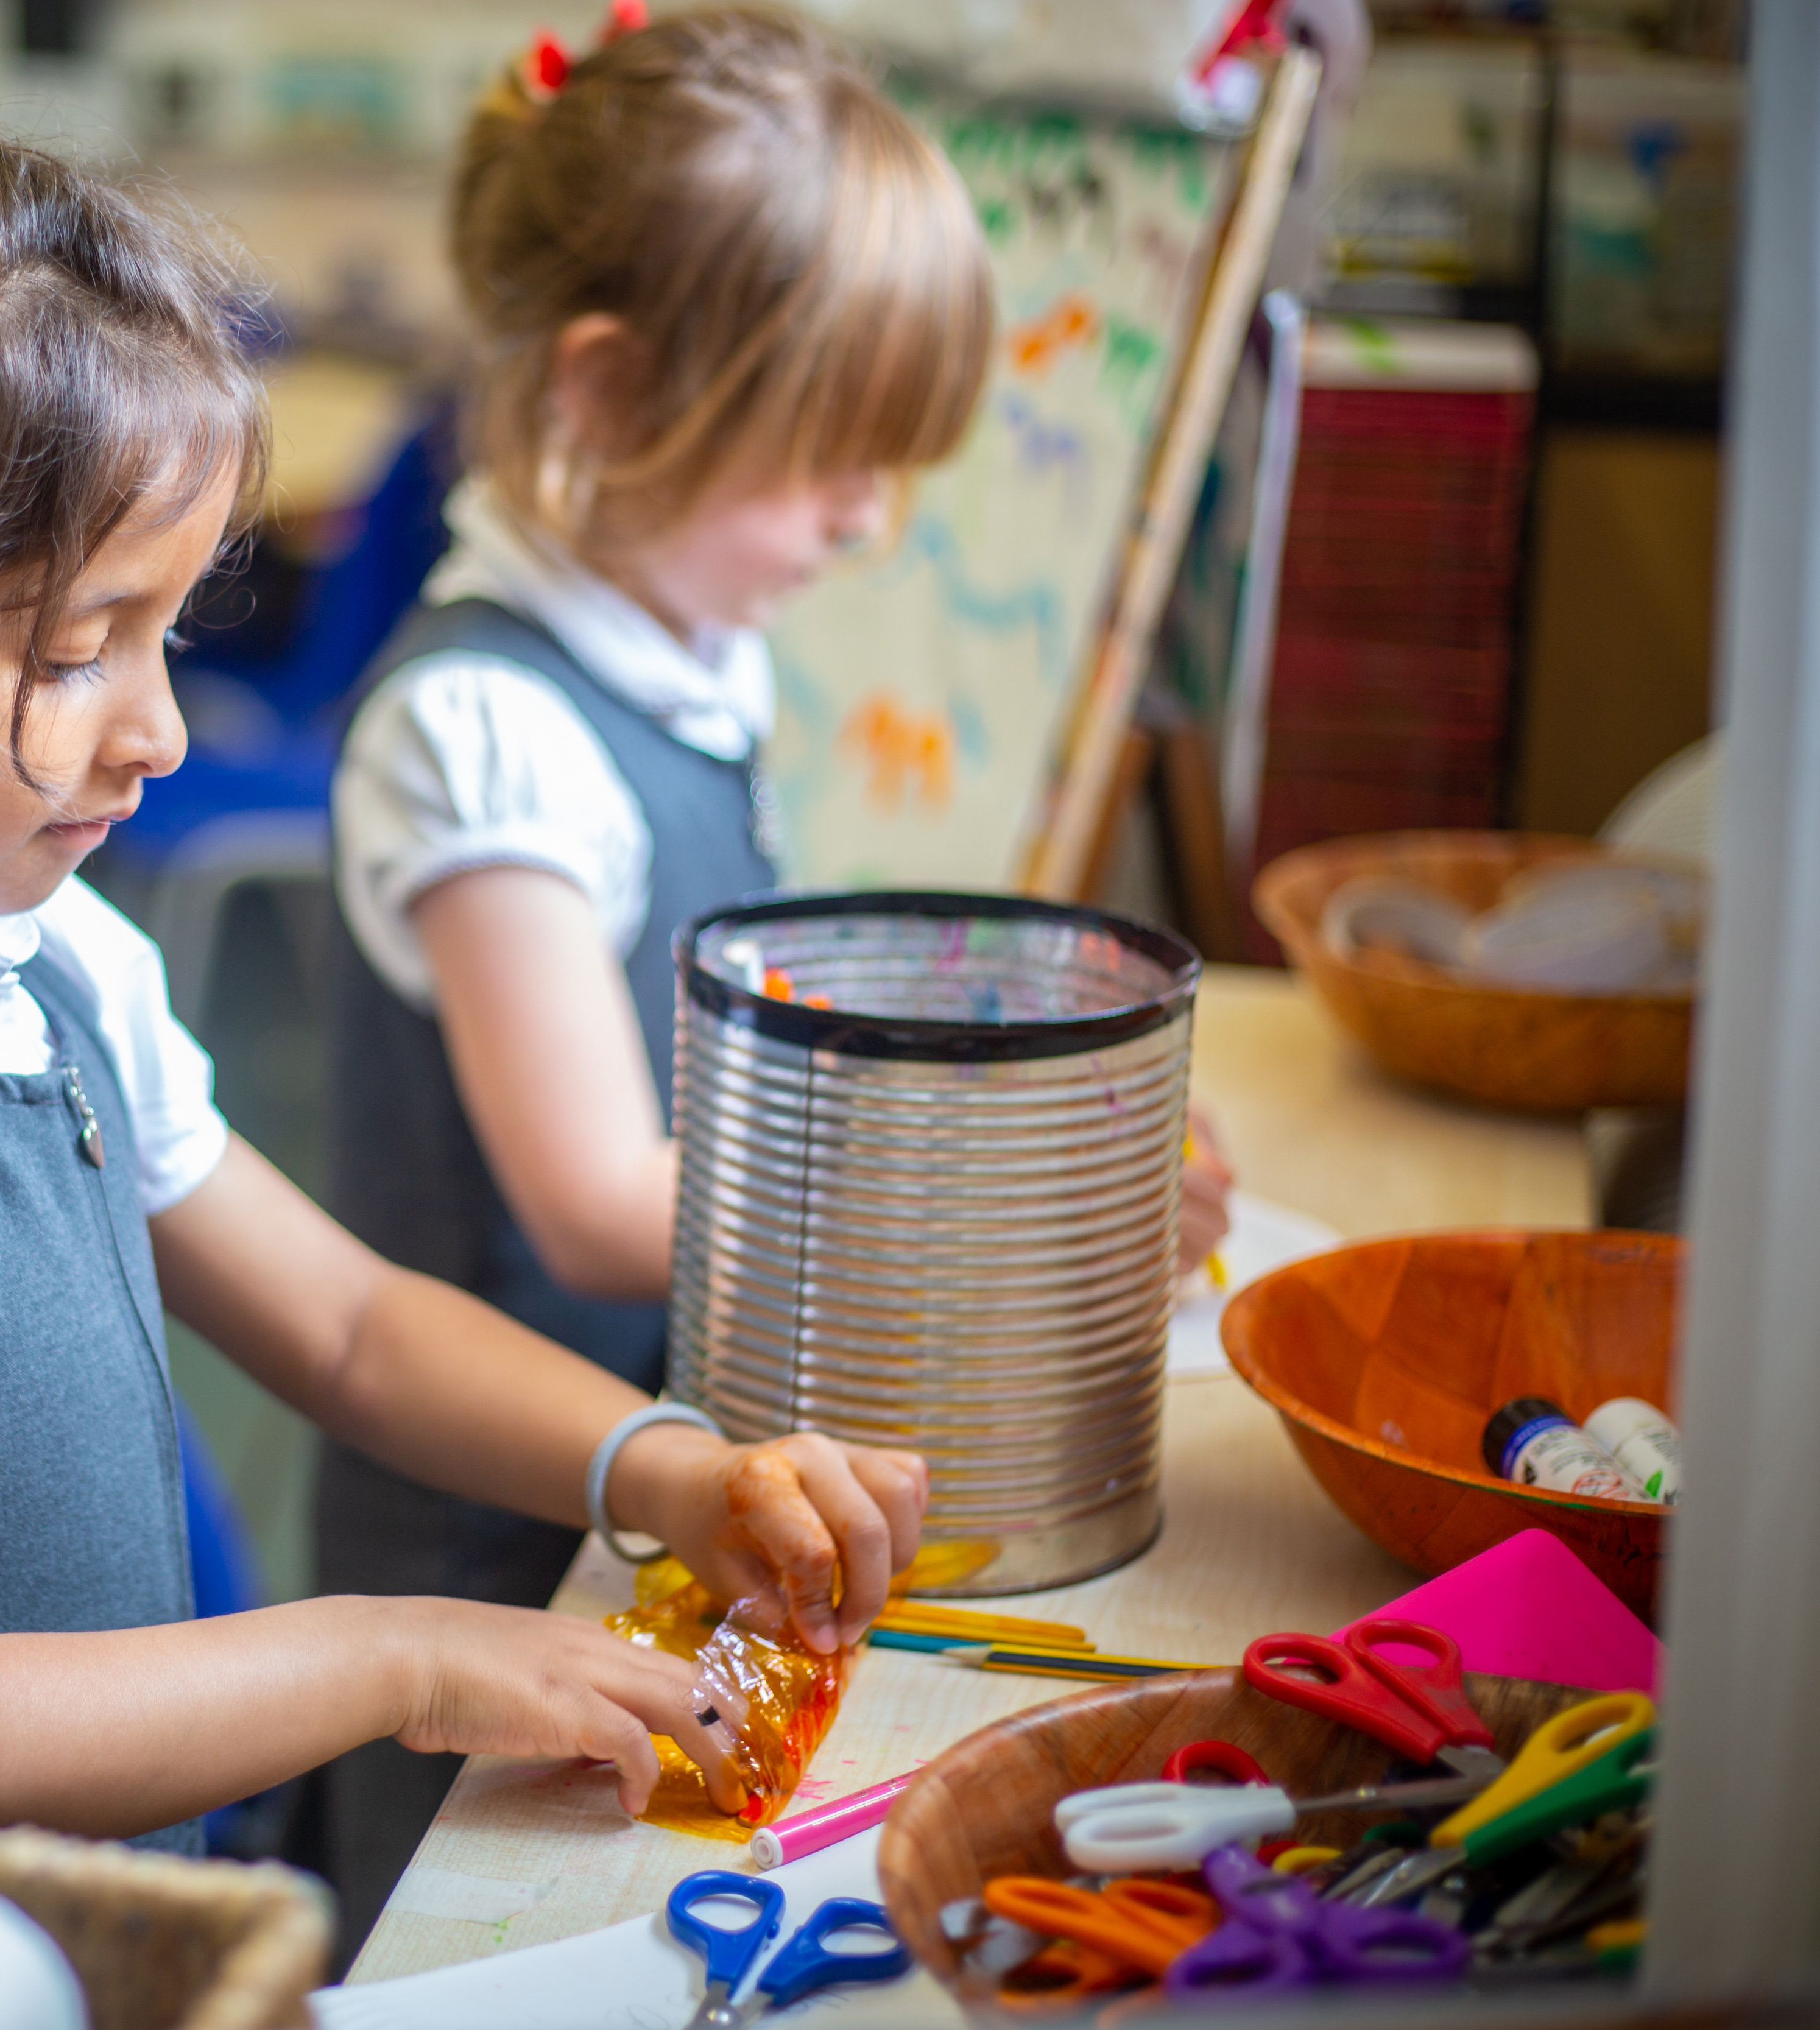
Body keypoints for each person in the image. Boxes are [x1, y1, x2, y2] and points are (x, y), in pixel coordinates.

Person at [0, 104, 929, 1860]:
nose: (154, 732)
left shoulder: (36, 943)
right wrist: (401, 1651)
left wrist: (671, 1468)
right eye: (76, 652)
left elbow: (353, 1325)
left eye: (165, 634)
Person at [312, 4, 1234, 1931]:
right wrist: (1023, 1218)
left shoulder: (681, 654)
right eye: (829, 461)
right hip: (502, 1561)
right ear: (610, 393)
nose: (866, 521)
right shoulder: (482, 733)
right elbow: (587, 1202)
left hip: (660, 1511)